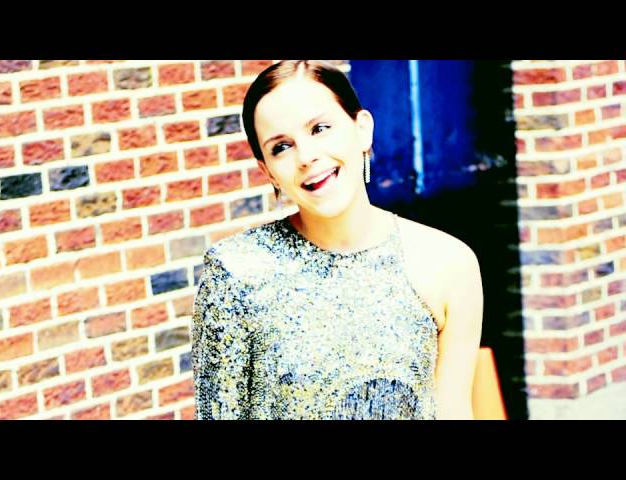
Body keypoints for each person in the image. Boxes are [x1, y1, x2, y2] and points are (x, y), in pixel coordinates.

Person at [192, 60, 483, 420]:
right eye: (281, 147)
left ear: (362, 130)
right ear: (268, 171)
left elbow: (453, 409)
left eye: (320, 128)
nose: (307, 156)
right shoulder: (237, 272)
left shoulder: (450, 264)